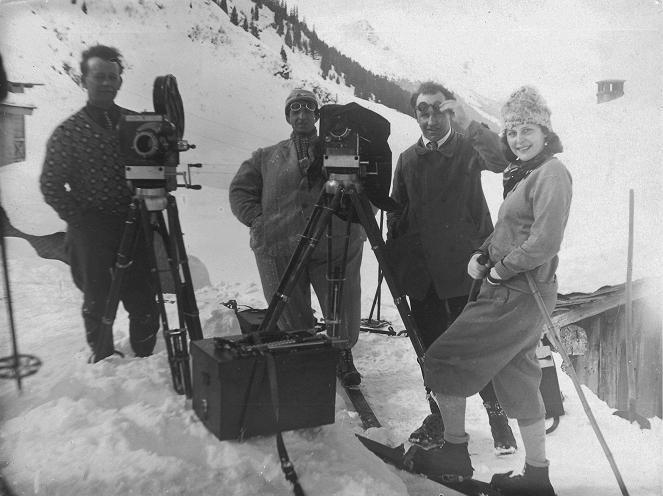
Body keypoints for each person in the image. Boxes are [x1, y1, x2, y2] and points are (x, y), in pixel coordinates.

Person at [422, 85, 572, 495]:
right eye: (512, 132)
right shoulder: (525, 172)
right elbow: (512, 231)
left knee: (442, 359)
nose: (519, 139)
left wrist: (496, 272)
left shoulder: (551, 173)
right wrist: (483, 253)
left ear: (545, 131)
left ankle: (454, 453)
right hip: (518, 291)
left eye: (528, 130)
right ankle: (538, 476)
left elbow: (544, 242)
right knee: (518, 377)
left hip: (518, 293)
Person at [387, 81, 516, 453]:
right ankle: (439, 417)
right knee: (430, 351)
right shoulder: (408, 158)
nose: (430, 118)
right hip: (424, 275)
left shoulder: (465, 148)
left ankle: (497, 416)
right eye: (422, 111)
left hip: (466, 269)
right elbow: (397, 206)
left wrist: (469, 124)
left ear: (449, 111)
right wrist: (400, 232)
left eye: (437, 109)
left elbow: (500, 160)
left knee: (475, 347)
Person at [229, 88, 365, 387]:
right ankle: (305, 351)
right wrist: (258, 221)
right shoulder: (265, 157)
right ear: (288, 116)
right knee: (289, 310)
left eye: (308, 109)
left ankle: (341, 353)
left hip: (332, 243)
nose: (302, 115)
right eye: (295, 110)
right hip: (280, 244)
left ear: (317, 115)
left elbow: (365, 186)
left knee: (341, 305)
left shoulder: (338, 147)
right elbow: (240, 191)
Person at [40, 45, 159, 360]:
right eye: (98, 76)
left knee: (144, 296)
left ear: (120, 82)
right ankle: (103, 358)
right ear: (84, 80)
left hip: (135, 226)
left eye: (112, 77)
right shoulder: (68, 132)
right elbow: (50, 183)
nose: (106, 83)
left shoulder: (139, 125)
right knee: (97, 300)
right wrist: (80, 220)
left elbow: (157, 173)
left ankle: (146, 357)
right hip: (91, 229)